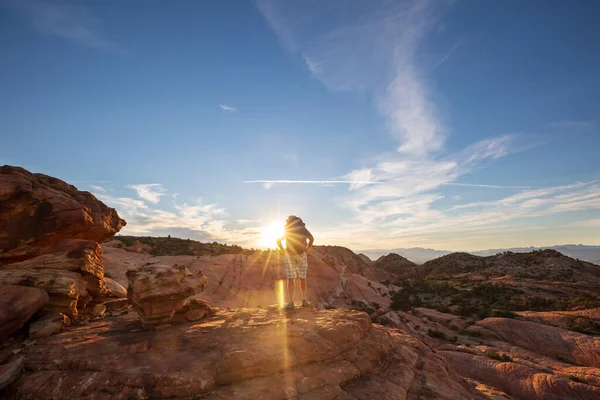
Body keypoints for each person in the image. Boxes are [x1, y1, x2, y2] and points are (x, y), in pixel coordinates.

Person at [276, 215, 314, 309]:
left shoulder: (288, 228)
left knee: (291, 279)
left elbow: (278, 240)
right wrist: (307, 249)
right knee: (302, 278)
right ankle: (304, 300)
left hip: (290, 255)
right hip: (301, 255)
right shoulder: (302, 228)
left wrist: (283, 250)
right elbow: (311, 238)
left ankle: (290, 302)